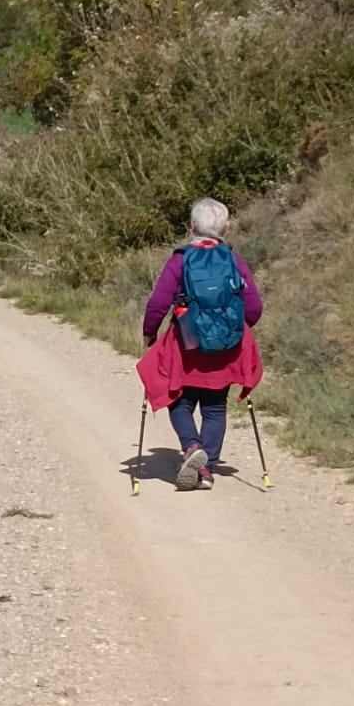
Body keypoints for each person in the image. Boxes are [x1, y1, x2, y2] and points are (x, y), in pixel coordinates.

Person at [138, 196, 262, 490]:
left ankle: (192, 448)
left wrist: (149, 332)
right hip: (225, 347)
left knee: (179, 400)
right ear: (227, 227)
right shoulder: (233, 260)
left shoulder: (180, 260)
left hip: (187, 341)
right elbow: (254, 307)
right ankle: (206, 470)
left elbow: (158, 303)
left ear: (192, 226)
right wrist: (231, 328)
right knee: (215, 407)